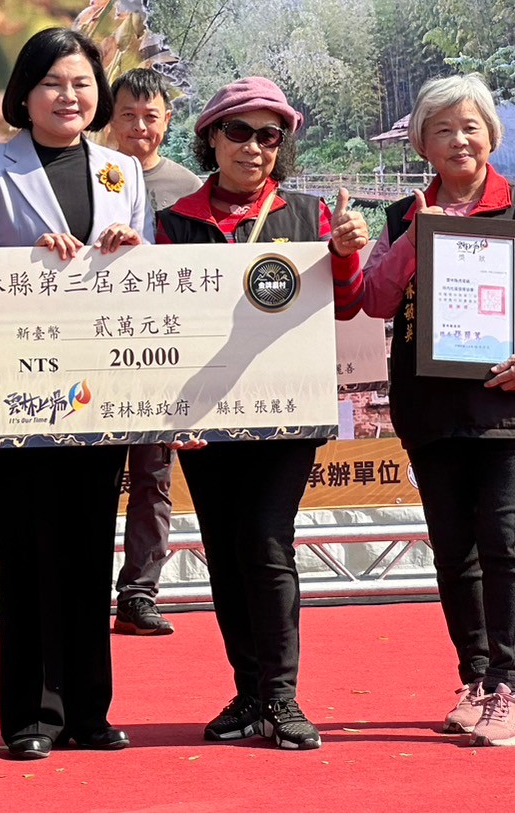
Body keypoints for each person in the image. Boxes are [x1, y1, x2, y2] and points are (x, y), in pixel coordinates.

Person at [362, 73, 515, 749]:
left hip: (510, 406)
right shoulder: (401, 216)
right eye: (442, 129)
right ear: (421, 144)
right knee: (452, 550)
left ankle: (507, 689)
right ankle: (474, 678)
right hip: (430, 408)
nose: (458, 139)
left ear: (491, 135)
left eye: (470, 126)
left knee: (504, 544)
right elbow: (374, 299)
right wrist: (416, 238)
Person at [0, 26, 149, 760]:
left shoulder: (122, 171)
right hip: (20, 391)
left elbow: (144, 283)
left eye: (83, 83)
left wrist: (132, 253)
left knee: (92, 547)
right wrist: (28, 261)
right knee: (29, 548)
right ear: (24, 94)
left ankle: (89, 711)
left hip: (100, 388)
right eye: (53, 83)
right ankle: (32, 714)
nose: (70, 96)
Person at [155, 76, 369, 751]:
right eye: (239, 131)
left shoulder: (309, 215)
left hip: (285, 412)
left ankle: (280, 694)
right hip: (204, 417)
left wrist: (344, 254)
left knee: (266, 541)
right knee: (224, 551)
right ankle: (249, 694)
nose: (253, 146)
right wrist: (173, 414)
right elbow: (162, 320)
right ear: (210, 138)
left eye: (269, 135)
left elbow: (346, 304)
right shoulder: (174, 222)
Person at [105, 68, 201, 638]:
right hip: (93, 351)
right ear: (109, 120)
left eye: (151, 116)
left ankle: (139, 593)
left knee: (153, 479)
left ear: (167, 120)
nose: (140, 127)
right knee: (89, 480)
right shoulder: (91, 175)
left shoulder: (188, 188)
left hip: (160, 353)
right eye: (128, 116)